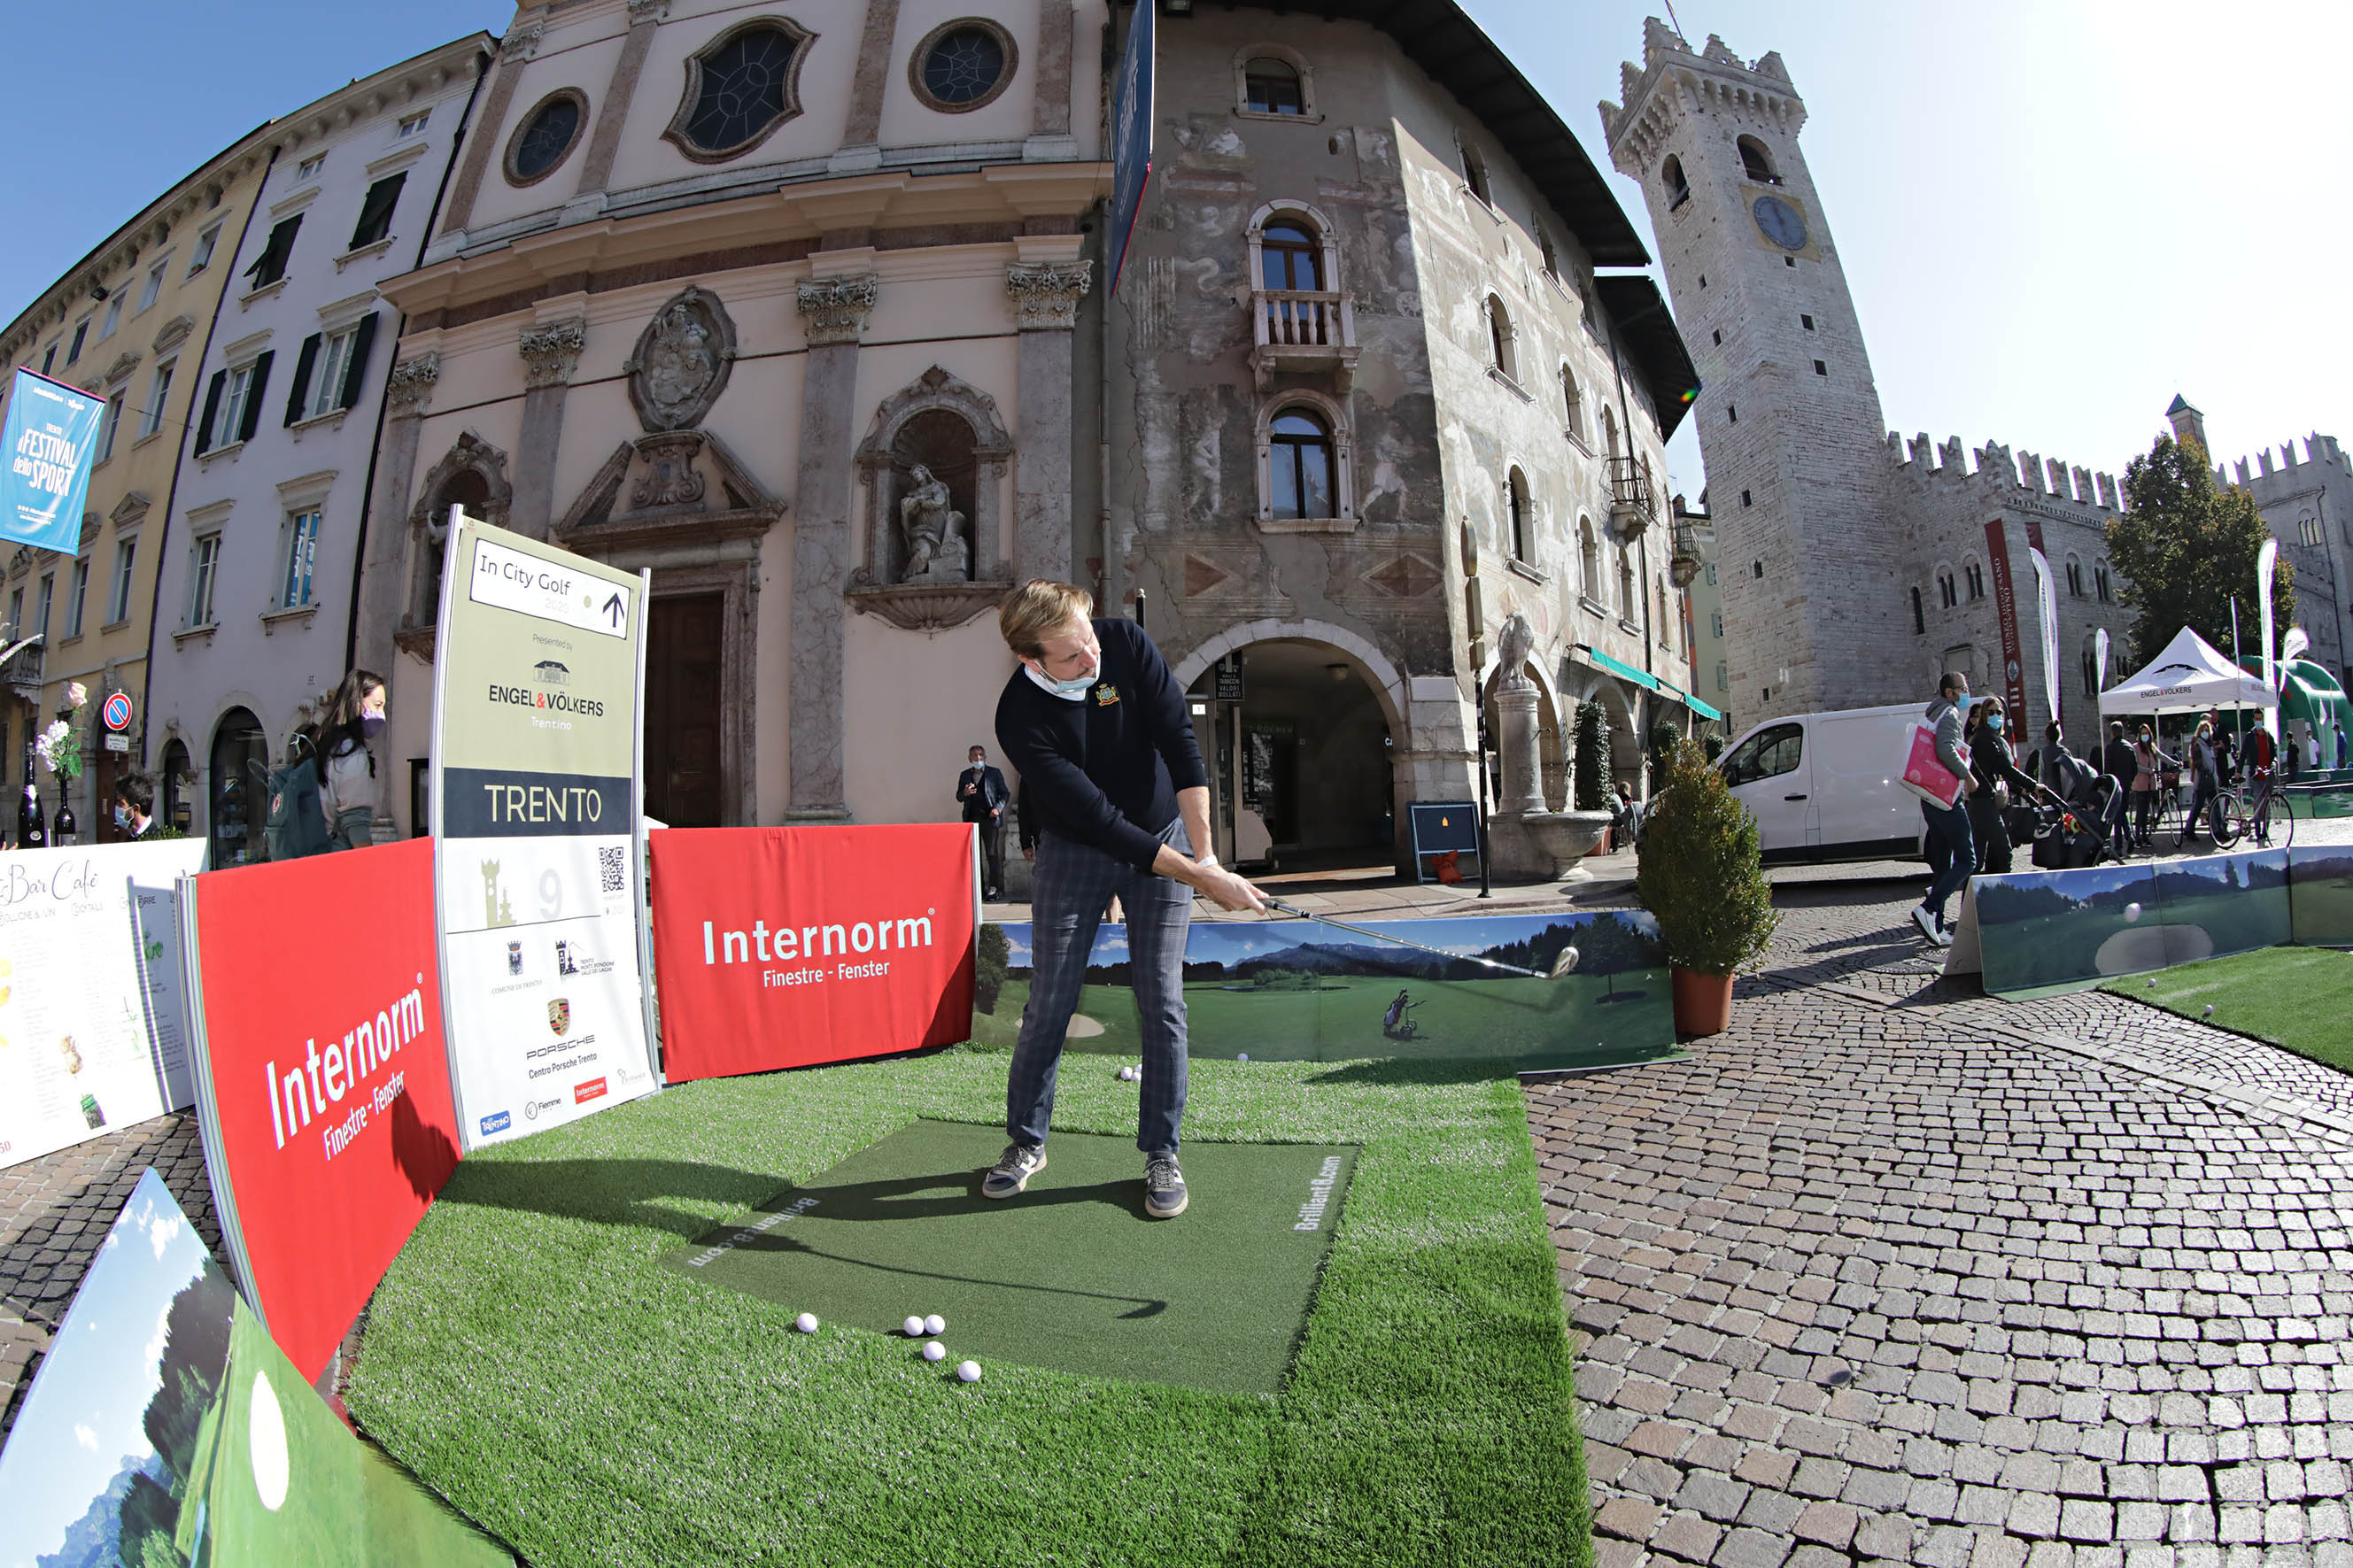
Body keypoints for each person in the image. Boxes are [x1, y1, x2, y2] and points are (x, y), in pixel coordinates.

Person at [987, 582, 1266, 1220]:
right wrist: (1201, 881)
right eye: (1072, 656)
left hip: (1163, 828)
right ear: (1032, 661)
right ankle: (1026, 1142)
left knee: (1161, 997)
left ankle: (1161, 1152)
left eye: (1087, 638)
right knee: (1050, 996)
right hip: (1077, 845)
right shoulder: (1019, 717)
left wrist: (1208, 858)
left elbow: (1180, 743)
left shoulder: (1124, 644)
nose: (1091, 658)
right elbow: (1103, 822)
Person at [1911, 670, 1976, 946]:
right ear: (1950, 692)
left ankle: (1934, 927)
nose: (1966, 692)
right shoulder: (1949, 713)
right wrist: (1967, 775)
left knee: (1943, 862)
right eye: (1962, 687)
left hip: (1929, 797)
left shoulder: (1931, 713)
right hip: (1945, 798)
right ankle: (1929, 907)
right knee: (1968, 859)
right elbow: (1945, 748)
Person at [1962, 698, 2055, 875]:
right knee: (2004, 852)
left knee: (1977, 859)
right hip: (1984, 802)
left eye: (1999, 712)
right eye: (1991, 712)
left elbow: (2002, 771)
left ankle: (1969, 898)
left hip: (1979, 802)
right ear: (1984, 715)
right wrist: (2034, 785)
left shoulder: (1988, 737)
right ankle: (2004, 893)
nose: (1996, 715)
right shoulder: (1985, 739)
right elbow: (2005, 769)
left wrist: (2023, 788)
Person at [312, 669, 385, 852]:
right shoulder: (351, 754)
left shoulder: (321, 745)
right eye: (377, 705)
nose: (382, 714)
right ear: (358, 704)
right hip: (336, 859)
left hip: (311, 854)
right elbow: (356, 822)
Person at [956, 744, 1011, 900]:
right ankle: (979, 889)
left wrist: (997, 809)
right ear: (969, 759)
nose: (978, 758)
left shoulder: (994, 774)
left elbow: (1005, 793)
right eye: (975, 755)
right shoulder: (965, 775)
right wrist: (965, 793)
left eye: (981, 755)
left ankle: (994, 888)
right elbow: (959, 797)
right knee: (975, 856)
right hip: (972, 820)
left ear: (985, 757)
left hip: (990, 819)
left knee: (992, 854)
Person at [2129, 724, 2176, 847]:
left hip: (2151, 784)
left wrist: (2176, 763)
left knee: (2146, 812)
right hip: (2140, 784)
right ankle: (2138, 837)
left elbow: (2162, 756)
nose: (2145, 736)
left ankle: (2145, 836)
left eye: (2147, 733)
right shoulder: (2135, 748)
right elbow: (2135, 765)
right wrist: (2148, 770)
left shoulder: (2152, 747)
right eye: (2143, 733)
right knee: (2141, 812)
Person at [2101, 721, 2139, 860]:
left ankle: (2118, 847)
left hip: (2115, 786)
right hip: (2126, 785)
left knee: (2117, 816)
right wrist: (2129, 781)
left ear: (2112, 732)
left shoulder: (2110, 748)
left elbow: (2108, 769)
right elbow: (2135, 768)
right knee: (2122, 813)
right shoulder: (2129, 747)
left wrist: (2106, 786)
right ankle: (2129, 837)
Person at [2185, 718, 2224, 843]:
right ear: (2199, 732)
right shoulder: (2198, 744)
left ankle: (2218, 830)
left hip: (2211, 779)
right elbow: (2198, 763)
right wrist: (2205, 772)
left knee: (2215, 805)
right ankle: (2189, 829)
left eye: (2207, 730)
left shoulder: (2209, 745)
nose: (2206, 732)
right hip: (2202, 780)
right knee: (2198, 806)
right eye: (2203, 730)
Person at [110, 772, 174, 840]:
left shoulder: (157, 839)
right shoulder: (131, 838)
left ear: (136, 809)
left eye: (121, 804)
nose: (116, 807)